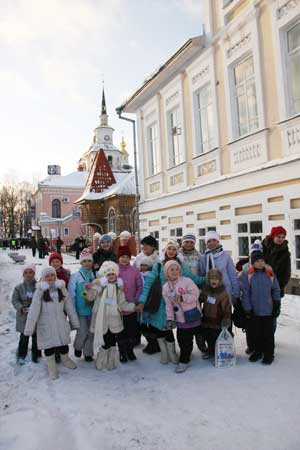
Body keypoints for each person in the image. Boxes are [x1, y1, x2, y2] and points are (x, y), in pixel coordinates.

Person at [138, 239, 205, 365]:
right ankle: (164, 352)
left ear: (176, 251)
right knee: (159, 327)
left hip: (175, 302)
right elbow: (148, 284)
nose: (171, 251)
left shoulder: (179, 265)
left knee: (169, 327)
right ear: (165, 250)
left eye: (174, 249)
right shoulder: (158, 265)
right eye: (169, 248)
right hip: (159, 301)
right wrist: (142, 300)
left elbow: (192, 278)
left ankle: (172, 352)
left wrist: (207, 278)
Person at [84, 261, 143, 370]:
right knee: (105, 342)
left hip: (114, 319)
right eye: (108, 274)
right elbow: (90, 298)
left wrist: (134, 307)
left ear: (116, 275)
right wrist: (89, 290)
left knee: (111, 341)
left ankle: (110, 361)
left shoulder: (118, 289)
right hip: (102, 319)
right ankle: (100, 360)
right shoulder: (100, 287)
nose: (111, 276)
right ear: (104, 276)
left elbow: (122, 304)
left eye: (113, 274)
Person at [24, 267, 79, 380]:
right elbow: (34, 310)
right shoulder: (40, 291)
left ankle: (65, 359)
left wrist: (75, 322)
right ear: (43, 278)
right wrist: (29, 328)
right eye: (47, 276)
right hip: (45, 324)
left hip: (60, 322)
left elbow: (69, 307)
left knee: (64, 344)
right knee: (48, 347)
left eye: (52, 275)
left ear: (55, 276)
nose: (50, 278)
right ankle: (51, 366)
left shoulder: (61, 289)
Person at [239, 249, 281, 365]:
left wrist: (276, 304)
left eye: (262, 260)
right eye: (257, 261)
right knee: (256, 333)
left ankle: (269, 354)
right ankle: (257, 352)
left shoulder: (269, 273)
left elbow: (276, 289)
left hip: (268, 310)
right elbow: (245, 293)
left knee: (268, 334)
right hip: (255, 311)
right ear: (252, 262)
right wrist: (247, 308)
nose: (260, 263)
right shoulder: (248, 275)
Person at [163, 260, 201, 373]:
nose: (175, 272)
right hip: (181, 320)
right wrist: (169, 319)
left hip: (193, 316)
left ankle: (206, 350)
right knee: (183, 341)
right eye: (172, 269)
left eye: (177, 269)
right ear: (167, 272)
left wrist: (183, 297)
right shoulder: (165, 287)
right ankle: (184, 360)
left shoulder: (187, 281)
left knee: (200, 336)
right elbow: (168, 305)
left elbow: (195, 294)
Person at [68, 249, 96, 362]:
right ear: (81, 262)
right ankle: (78, 346)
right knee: (82, 331)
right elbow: (71, 293)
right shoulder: (76, 276)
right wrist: (73, 309)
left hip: (92, 308)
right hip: (80, 310)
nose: (87, 263)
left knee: (91, 332)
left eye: (89, 261)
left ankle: (88, 353)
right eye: (85, 261)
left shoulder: (94, 275)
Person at [199, 231, 239, 305]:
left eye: (214, 240)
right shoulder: (203, 258)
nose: (212, 243)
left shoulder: (226, 256)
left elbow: (232, 275)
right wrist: (203, 293)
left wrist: (236, 294)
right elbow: (202, 276)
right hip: (210, 292)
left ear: (218, 241)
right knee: (212, 312)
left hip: (225, 291)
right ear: (206, 244)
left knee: (225, 314)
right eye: (209, 241)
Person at [117, 246, 143, 362]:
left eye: (127, 257)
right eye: (122, 257)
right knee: (120, 332)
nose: (124, 259)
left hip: (132, 306)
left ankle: (130, 350)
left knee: (131, 331)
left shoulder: (135, 270)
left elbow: (139, 286)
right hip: (118, 308)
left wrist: (135, 300)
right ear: (119, 258)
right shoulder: (115, 270)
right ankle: (122, 352)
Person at [201, 269, 231, 360]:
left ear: (220, 280)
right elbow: (201, 299)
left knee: (216, 338)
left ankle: (218, 354)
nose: (214, 280)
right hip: (207, 318)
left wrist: (226, 319)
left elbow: (226, 307)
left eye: (216, 279)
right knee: (208, 336)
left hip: (218, 319)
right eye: (211, 278)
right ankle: (210, 351)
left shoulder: (223, 293)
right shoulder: (206, 290)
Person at [12, 263, 39, 365]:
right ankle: (21, 354)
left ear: (34, 273)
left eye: (31, 272)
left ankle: (36, 354)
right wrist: (21, 308)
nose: (28, 275)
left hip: (35, 317)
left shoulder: (38, 286)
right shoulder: (18, 288)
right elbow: (15, 300)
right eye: (26, 273)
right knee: (24, 337)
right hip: (23, 316)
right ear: (23, 274)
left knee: (36, 336)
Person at [138, 256, 160, 355]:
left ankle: (153, 344)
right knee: (142, 324)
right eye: (141, 265)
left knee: (151, 325)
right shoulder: (139, 275)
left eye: (145, 265)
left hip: (150, 303)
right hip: (141, 303)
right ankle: (151, 342)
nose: (142, 267)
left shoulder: (151, 276)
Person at [262, 226, 291, 299]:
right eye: (278, 236)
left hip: (276, 288)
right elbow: (253, 258)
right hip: (260, 285)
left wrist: (279, 286)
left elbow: (287, 273)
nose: (281, 239)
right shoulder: (263, 247)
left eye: (283, 237)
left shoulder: (285, 253)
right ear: (273, 236)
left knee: (274, 309)